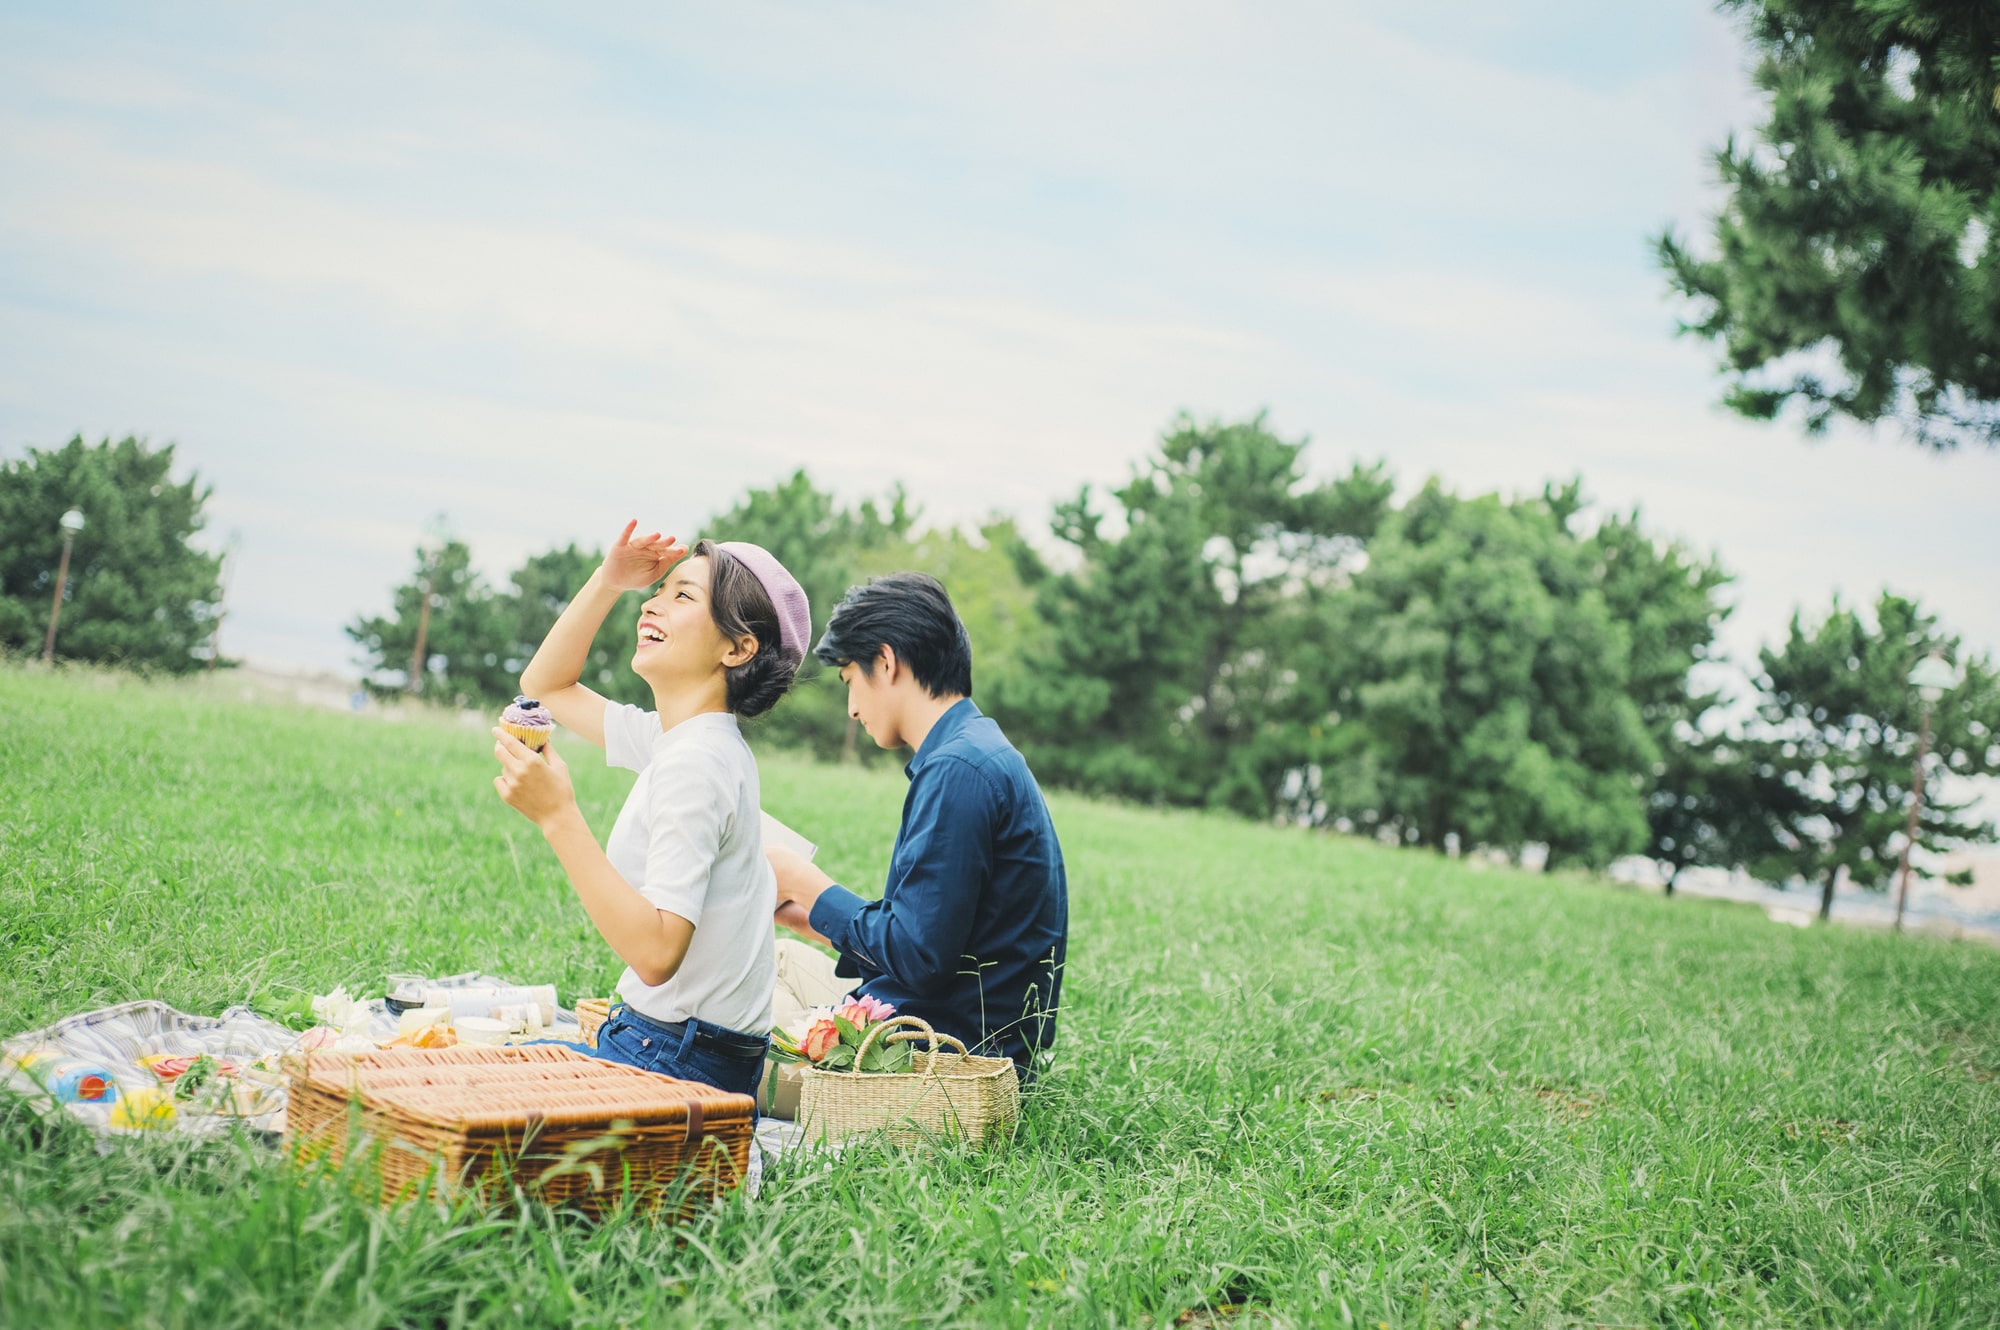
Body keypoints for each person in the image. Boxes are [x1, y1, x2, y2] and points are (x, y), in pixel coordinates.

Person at [492, 522, 809, 1099]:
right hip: (682, 1050)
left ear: (737, 649)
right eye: (658, 592)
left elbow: (658, 954)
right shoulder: (681, 739)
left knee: (472, 1086)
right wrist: (609, 580)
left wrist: (557, 816)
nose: (652, 605)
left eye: (682, 595)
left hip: (673, 1060)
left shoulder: (697, 763)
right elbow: (545, 684)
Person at [765, 572, 1068, 1104]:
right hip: (951, 1027)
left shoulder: (958, 770)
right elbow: (935, 940)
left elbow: (920, 957)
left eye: (848, 682)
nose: (853, 708)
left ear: (885, 663)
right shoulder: (975, 750)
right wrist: (808, 915)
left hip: (940, 1063)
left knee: (720, 1038)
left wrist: (807, 885)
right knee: (781, 958)